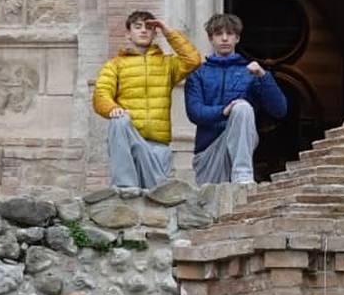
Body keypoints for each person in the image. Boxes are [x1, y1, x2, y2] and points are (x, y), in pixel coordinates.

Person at [92, 11, 202, 193]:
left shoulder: (167, 64)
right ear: (128, 33)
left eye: (149, 27)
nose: (143, 31)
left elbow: (193, 60)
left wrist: (168, 31)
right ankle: (124, 186)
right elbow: (100, 94)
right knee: (119, 121)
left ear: (155, 33)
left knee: (158, 203)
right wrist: (112, 109)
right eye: (137, 27)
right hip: (128, 145)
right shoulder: (115, 65)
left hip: (156, 147)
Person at [184, 12, 288, 188]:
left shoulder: (251, 72)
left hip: (241, 147)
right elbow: (195, 112)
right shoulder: (198, 74)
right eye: (219, 34)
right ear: (211, 38)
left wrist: (264, 76)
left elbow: (280, 109)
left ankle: (242, 173)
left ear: (237, 38)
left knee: (242, 107)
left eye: (230, 34)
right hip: (209, 149)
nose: (224, 39)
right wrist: (223, 111)